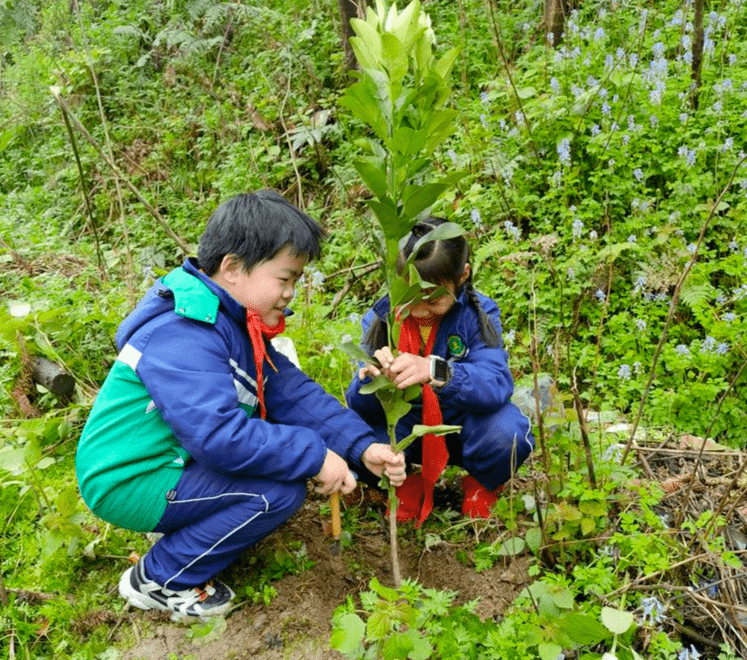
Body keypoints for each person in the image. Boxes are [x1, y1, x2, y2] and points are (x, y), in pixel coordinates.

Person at [76, 190, 405, 619]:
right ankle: (162, 577)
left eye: (296, 281)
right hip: (128, 477)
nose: (290, 293)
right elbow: (218, 436)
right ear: (231, 267)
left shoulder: (233, 324)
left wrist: (361, 447)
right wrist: (314, 456)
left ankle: (185, 534)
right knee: (274, 492)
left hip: (166, 462)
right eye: (283, 279)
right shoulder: (185, 331)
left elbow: (294, 396)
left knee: (277, 473)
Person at [346, 217, 534, 527]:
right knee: (349, 436)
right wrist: (370, 380)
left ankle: (482, 482)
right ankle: (404, 482)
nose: (420, 311)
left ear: (463, 276)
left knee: (508, 435)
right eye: (410, 297)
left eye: (433, 299)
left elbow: (496, 384)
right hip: (406, 426)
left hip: (460, 425)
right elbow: (359, 406)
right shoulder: (383, 317)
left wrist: (438, 370)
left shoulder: (478, 315)